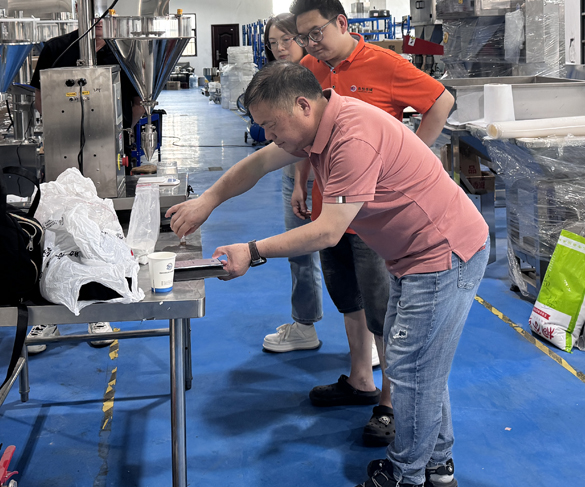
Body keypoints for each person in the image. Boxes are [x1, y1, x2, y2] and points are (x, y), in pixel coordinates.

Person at [166, 61, 488, 487]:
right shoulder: (316, 127)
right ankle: (438, 465)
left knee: (412, 370)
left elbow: (328, 230)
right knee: (417, 364)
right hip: (412, 256)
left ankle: (404, 475)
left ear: (302, 105)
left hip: (443, 254)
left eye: (271, 124)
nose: (268, 135)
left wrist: (252, 251)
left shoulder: (352, 136)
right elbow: (259, 163)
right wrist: (207, 200)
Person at [288, 0, 455, 447]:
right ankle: (361, 379)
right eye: (303, 37)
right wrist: (301, 182)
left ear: (342, 23)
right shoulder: (309, 70)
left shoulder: (384, 64)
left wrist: (412, 155)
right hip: (330, 209)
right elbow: (303, 132)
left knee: (384, 309)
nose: (310, 44)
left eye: (316, 33)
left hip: (373, 215)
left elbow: (442, 101)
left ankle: (390, 402)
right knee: (348, 297)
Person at [26, 2, 145, 354]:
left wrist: (119, 136)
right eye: (94, 14)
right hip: (61, 159)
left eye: (105, 14)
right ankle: (48, 314)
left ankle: (97, 309)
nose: (100, 22)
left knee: (100, 237)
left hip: (109, 157)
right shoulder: (55, 48)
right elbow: (40, 100)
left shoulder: (122, 50)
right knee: (56, 236)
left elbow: (137, 103)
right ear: (82, 10)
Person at [256, 13, 330, 354]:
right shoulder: (277, 82)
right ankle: (304, 324)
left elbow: (309, 140)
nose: (280, 48)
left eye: (286, 39)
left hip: (330, 177)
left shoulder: (318, 77)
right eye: (273, 43)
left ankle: (373, 337)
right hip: (295, 176)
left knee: (354, 258)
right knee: (299, 253)